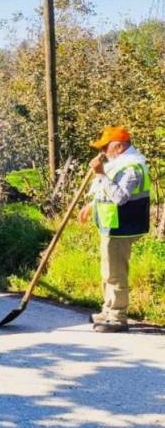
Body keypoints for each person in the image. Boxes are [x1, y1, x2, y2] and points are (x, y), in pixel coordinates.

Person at [78, 126, 151, 333]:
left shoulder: (132, 167)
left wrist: (100, 174)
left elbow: (120, 197)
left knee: (115, 273)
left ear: (118, 147)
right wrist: (91, 205)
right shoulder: (119, 164)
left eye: (104, 147)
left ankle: (117, 317)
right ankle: (107, 310)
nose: (102, 153)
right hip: (112, 225)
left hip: (123, 226)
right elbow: (109, 192)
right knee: (107, 270)